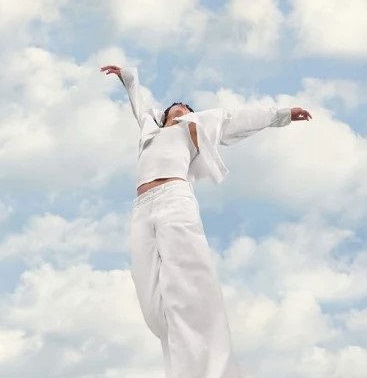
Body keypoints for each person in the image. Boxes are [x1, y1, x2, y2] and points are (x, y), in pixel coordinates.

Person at [101, 64, 312, 378]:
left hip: (174, 200)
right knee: (153, 304)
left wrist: (282, 114)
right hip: (142, 209)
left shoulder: (194, 126)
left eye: (187, 106)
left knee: (189, 287)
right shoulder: (150, 128)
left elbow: (237, 119)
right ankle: (184, 365)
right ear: (164, 113)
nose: (182, 105)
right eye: (177, 104)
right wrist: (126, 76)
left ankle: (215, 370)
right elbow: (137, 100)